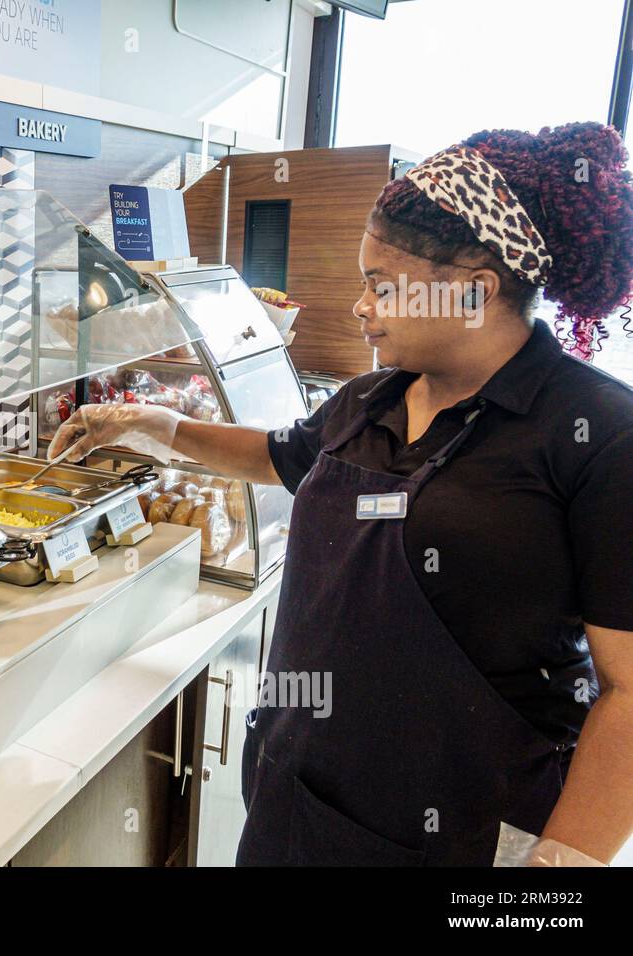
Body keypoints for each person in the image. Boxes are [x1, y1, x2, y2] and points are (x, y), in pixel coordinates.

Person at [49, 123, 633, 866]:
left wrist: (564, 864)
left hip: (464, 833)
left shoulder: (600, 435)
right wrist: (148, 422)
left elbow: (630, 694)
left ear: (474, 292)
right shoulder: (368, 402)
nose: (361, 306)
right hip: (300, 799)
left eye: (381, 285)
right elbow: (276, 455)